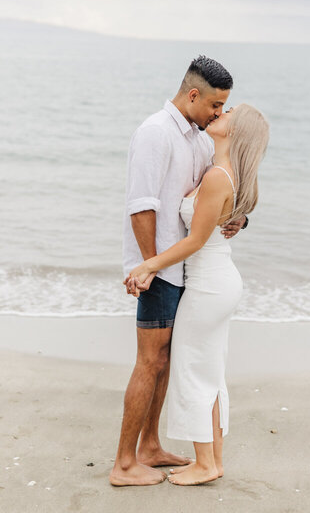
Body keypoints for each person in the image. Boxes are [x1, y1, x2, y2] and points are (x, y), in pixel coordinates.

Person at [109, 56, 248, 487]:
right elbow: (141, 205)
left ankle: (150, 446)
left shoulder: (200, 139)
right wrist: (150, 266)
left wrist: (240, 218)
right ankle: (124, 463)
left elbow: (217, 195)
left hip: (184, 270)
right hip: (162, 270)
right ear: (194, 95)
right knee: (150, 362)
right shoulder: (155, 133)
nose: (219, 113)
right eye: (215, 105)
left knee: (166, 362)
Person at [125, 103, 269, 486]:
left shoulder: (220, 175)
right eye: (221, 106)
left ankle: (205, 463)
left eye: (229, 112)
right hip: (215, 281)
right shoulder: (218, 166)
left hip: (209, 284)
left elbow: (195, 241)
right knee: (209, 371)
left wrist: (148, 265)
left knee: (193, 372)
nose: (222, 112)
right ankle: (213, 461)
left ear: (236, 132)